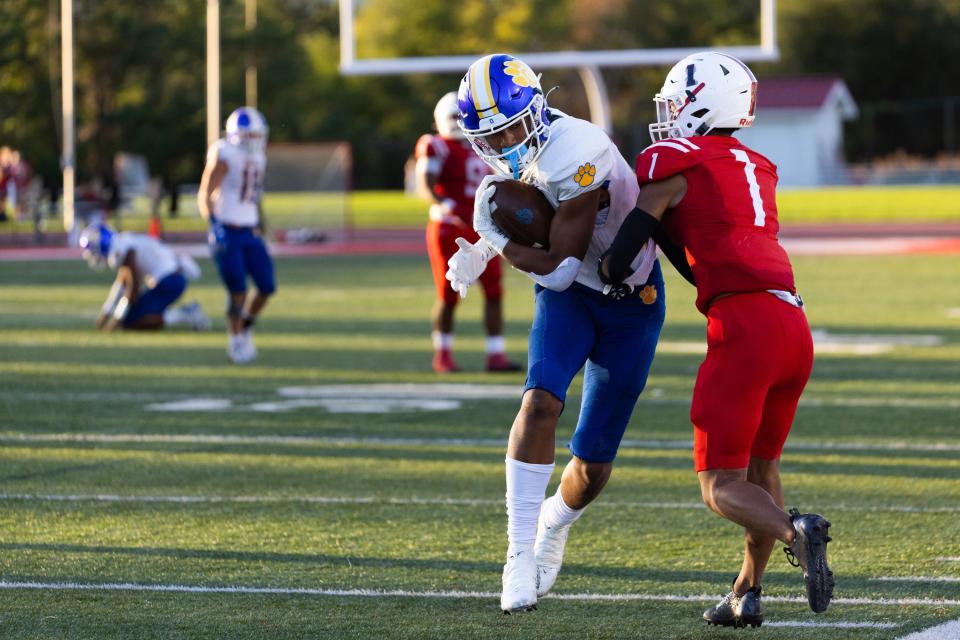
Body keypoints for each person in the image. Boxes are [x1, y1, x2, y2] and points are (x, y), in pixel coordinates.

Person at [598, 51, 833, 627]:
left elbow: (629, 247)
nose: (669, 114)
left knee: (719, 485)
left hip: (745, 327)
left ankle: (794, 531)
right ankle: (745, 594)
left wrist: (609, 271)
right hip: (792, 324)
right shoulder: (758, 166)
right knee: (762, 467)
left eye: (676, 102)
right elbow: (698, 252)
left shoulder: (670, 161)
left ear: (700, 103)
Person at [445, 53, 666, 614]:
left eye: (512, 129)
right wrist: (482, 245)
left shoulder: (578, 151)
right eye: (490, 137)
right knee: (540, 402)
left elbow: (562, 261)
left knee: (591, 465)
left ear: (537, 111)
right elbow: (560, 277)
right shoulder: (508, 169)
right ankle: (518, 554)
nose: (503, 147)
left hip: (629, 301)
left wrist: (495, 244)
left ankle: (553, 522)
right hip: (569, 301)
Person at [415, 92, 522, 373]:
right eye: (451, 117)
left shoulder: (481, 144)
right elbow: (426, 184)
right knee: (449, 293)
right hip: (449, 228)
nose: (455, 122)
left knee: (494, 291)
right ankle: (443, 353)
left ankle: (496, 354)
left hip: (483, 229)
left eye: (458, 117)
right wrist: (449, 206)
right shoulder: (436, 145)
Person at [198, 106, 276, 364]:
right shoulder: (224, 152)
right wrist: (213, 223)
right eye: (250, 135)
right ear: (237, 135)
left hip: (250, 230)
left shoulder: (259, 157)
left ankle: (245, 325)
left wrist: (261, 223)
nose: (256, 140)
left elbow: (254, 197)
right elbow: (206, 192)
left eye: (257, 135)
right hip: (228, 230)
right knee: (238, 291)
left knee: (267, 286)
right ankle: (236, 339)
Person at [78, 223, 209, 332]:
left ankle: (184, 315)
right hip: (171, 278)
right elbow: (121, 283)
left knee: (131, 320)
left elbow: (133, 287)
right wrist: (106, 311)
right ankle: (184, 313)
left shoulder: (121, 251)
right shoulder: (123, 242)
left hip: (169, 281)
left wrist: (117, 318)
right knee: (131, 315)